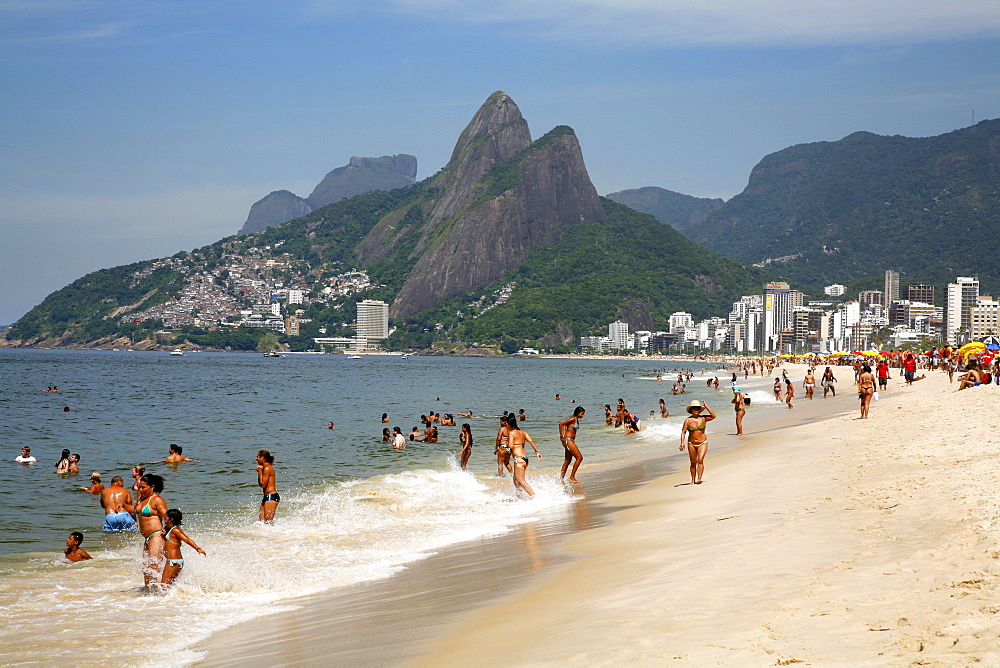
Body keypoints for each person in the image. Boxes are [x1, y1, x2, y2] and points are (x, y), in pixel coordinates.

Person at [124, 473, 168, 589]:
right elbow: (135, 509)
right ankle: (149, 593)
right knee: (146, 568)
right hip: (147, 537)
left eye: (143, 487)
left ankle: (164, 590)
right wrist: (123, 506)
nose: (140, 489)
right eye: (139, 487)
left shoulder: (156, 499)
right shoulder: (142, 498)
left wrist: (168, 532)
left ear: (152, 487)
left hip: (156, 535)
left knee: (154, 565)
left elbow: (167, 517)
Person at [159, 509, 206, 590]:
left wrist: (198, 549)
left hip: (173, 561)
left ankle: (167, 600)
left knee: (164, 585)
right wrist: (163, 536)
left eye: (166, 517)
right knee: (170, 585)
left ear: (171, 519)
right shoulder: (169, 529)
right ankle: (175, 600)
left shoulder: (175, 530)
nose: (164, 518)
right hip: (174, 561)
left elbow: (186, 539)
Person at [679, 400, 716, 485]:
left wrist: (706, 407)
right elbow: (683, 432)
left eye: (698, 408)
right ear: (691, 410)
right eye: (695, 408)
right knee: (693, 462)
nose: (697, 410)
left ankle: (699, 478)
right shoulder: (688, 421)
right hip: (691, 443)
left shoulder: (703, 418)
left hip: (702, 442)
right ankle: (692, 480)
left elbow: (714, 416)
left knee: (700, 460)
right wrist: (682, 443)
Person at [506, 416, 542, 497]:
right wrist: (537, 452)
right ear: (516, 423)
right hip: (524, 459)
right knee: (515, 480)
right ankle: (519, 497)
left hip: (519, 460)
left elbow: (511, 446)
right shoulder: (523, 433)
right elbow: (531, 441)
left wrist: (507, 443)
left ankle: (535, 497)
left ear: (509, 425)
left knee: (521, 481)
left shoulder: (511, 433)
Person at [558, 406, 585, 483]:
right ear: (578, 413)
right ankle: (572, 477)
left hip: (570, 440)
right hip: (568, 440)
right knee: (579, 458)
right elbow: (561, 424)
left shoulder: (576, 420)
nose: (583, 416)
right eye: (582, 414)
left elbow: (565, 426)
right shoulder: (573, 418)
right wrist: (562, 436)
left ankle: (561, 479)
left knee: (567, 460)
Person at [256, 450, 279, 524]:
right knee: (261, 522)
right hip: (266, 497)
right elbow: (261, 484)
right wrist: (260, 472)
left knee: (268, 522)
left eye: (257, 457)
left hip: (271, 496)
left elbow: (263, 485)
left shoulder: (267, 468)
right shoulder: (264, 468)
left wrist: (259, 472)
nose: (256, 459)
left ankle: (275, 535)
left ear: (262, 457)